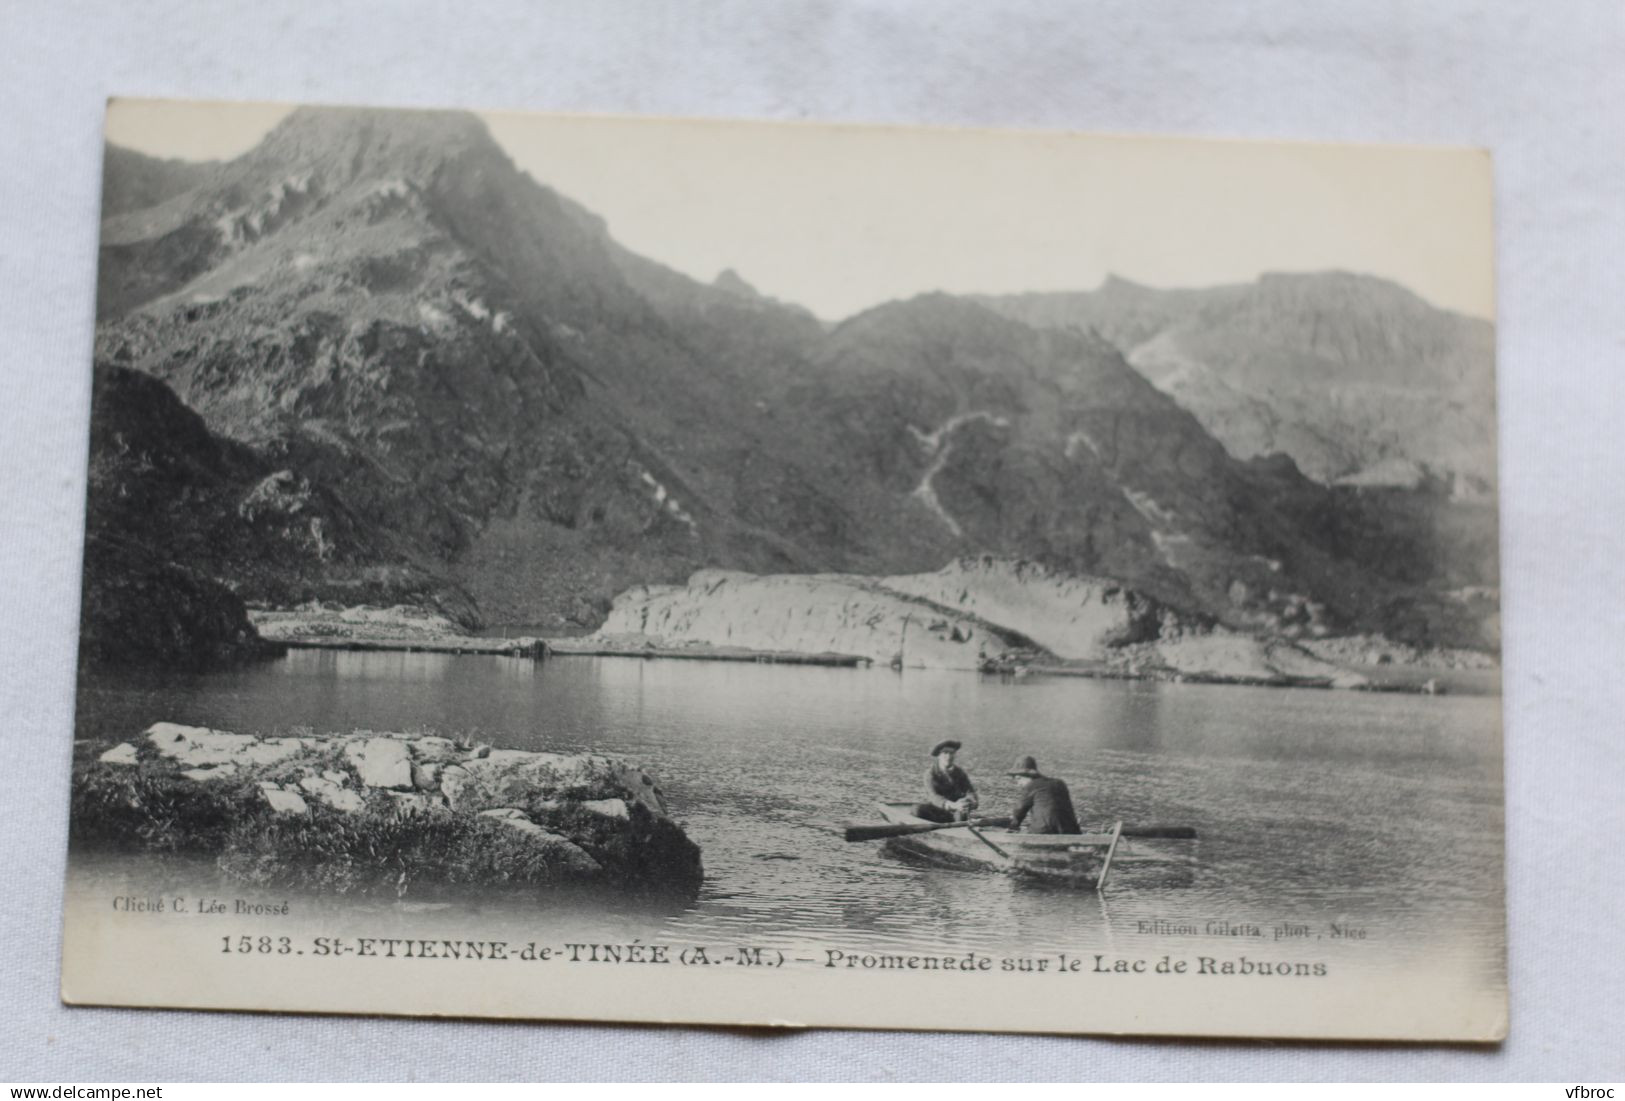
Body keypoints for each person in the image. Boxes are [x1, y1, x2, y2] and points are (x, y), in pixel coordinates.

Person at [1005, 755, 1081, 835]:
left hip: (1043, 832)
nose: (1018, 784)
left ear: (1029, 776)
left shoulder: (1031, 785)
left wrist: (1013, 827)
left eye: (1018, 779)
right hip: (1070, 831)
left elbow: (1019, 810)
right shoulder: (1060, 783)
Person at [912, 739, 979, 823]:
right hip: (936, 810)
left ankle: (960, 828)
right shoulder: (930, 774)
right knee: (917, 809)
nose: (949, 756)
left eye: (952, 753)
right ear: (939, 755)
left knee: (961, 814)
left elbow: (970, 792)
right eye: (945, 753)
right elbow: (934, 797)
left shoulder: (960, 773)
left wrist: (970, 802)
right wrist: (953, 805)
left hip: (955, 812)